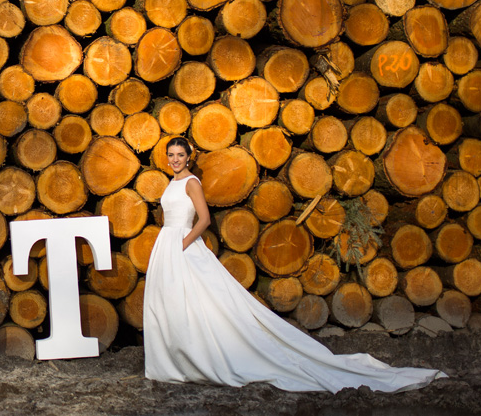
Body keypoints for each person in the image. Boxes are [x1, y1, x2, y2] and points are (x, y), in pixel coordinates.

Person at [143, 136, 446, 393]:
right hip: (167, 244)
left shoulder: (192, 183)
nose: (175, 159)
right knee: (170, 302)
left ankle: (203, 355)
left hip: (182, 244)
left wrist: (181, 244)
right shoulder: (171, 182)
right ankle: (174, 356)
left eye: (180, 155)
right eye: (171, 155)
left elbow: (205, 219)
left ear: (189, 157)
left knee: (205, 303)